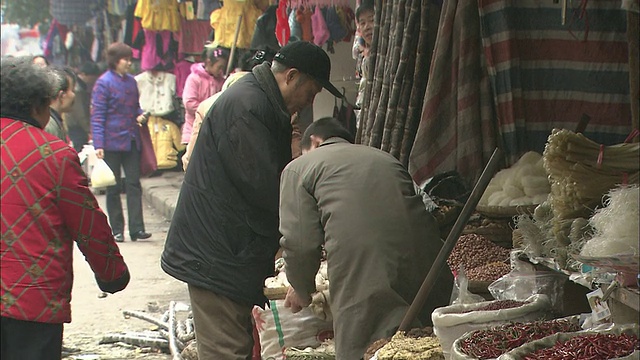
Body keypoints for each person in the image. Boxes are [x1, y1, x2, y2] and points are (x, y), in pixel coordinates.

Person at [161, 41, 344, 359]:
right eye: (311, 93)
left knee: (236, 347)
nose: (309, 102)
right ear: (291, 76)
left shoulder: (263, 103)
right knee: (227, 351)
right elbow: (264, 188)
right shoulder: (247, 107)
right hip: (217, 255)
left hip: (228, 250)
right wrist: (304, 230)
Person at [279, 118, 454, 359]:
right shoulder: (384, 157)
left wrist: (301, 287)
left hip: (366, 271)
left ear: (315, 141)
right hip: (428, 267)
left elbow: (299, 243)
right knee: (424, 346)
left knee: (367, 348)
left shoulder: (299, 167)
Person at [1, 57, 130, 360]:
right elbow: (88, 224)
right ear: (37, 106)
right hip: (32, 303)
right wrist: (112, 274)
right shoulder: (55, 154)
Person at [91, 42, 151, 243]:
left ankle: (137, 228)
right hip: (111, 142)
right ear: (116, 61)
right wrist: (98, 144)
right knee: (113, 186)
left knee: (134, 184)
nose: (129, 63)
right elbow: (98, 116)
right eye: (126, 59)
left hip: (131, 139)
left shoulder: (131, 82)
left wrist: (141, 115)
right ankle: (117, 229)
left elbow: (136, 108)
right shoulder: (103, 83)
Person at [135, 66, 185, 170]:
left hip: (164, 166)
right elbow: (181, 146)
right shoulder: (138, 80)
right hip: (166, 165)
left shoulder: (171, 78)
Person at [180, 46, 229, 144]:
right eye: (219, 67)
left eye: (223, 68)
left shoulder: (221, 81)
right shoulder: (194, 78)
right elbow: (189, 103)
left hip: (212, 132)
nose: (221, 71)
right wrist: (210, 111)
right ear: (209, 62)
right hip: (193, 131)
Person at [65, 61, 101, 152]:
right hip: (77, 127)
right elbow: (80, 113)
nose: (94, 80)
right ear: (84, 75)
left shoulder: (80, 87)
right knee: (79, 150)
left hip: (75, 126)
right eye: (93, 77)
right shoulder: (77, 90)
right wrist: (89, 129)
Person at [354, 0, 374, 125]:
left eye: (372, 20)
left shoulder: (388, 55)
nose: (367, 26)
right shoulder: (362, 57)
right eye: (363, 23)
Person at [44, 66, 77, 142]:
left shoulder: (50, 121)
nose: (74, 95)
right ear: (62, 95)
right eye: (72, 90)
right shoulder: (49, 126)